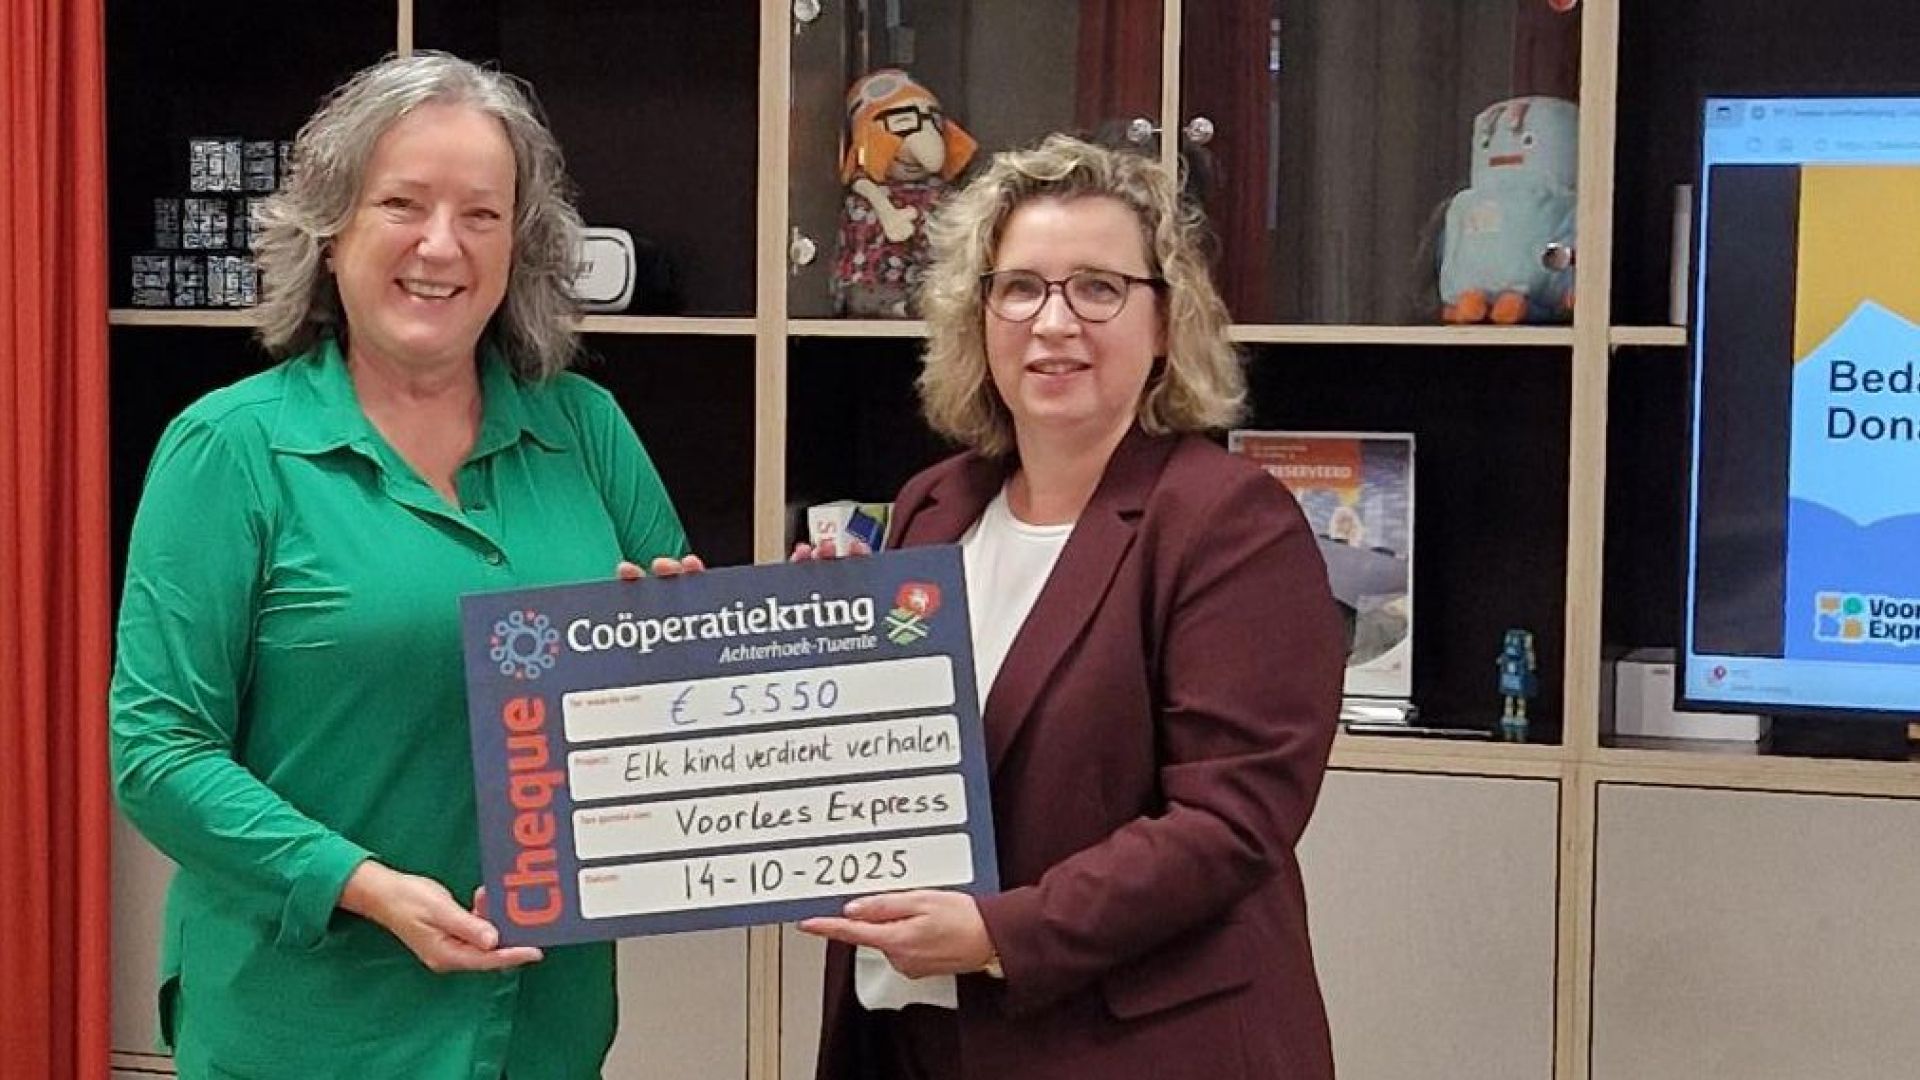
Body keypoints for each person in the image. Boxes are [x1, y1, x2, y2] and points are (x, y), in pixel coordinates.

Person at [109, 53, 696, 1079]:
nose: (441, 245)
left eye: (482, 214)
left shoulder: (588, 430)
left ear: (520, 243)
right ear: (331, 229)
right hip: (306, 1029)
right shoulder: (229, 450)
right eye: (403, 204)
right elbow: (157, 753)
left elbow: (677, 705)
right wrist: (363, 885)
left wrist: (708, 654)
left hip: (542, 1027)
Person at [799, 134, 1346, 1079]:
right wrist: (798, 656)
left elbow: (1230, 823)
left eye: (1098, 287)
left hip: (1138, 1049)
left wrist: (999, 934)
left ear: (1166, 323)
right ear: (978, 317)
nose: (1054, 322)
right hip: (922, 1033)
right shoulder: (935, 504)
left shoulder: (1228, 523)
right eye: (1020, 288)